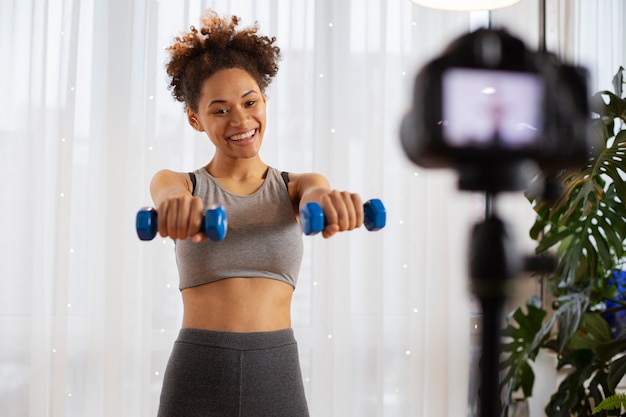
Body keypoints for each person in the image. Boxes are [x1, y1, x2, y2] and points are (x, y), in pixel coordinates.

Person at [152, 9, 365, 417]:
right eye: (220, 110)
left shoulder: (297, 185)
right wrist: (176, 209)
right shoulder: (180, 183)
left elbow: (316, 197)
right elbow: (166, 196)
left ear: (264, 101)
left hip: (276, 369)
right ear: (195, 119)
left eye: (250, 102)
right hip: (199, 368)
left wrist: (332, 204)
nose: (241, 119)